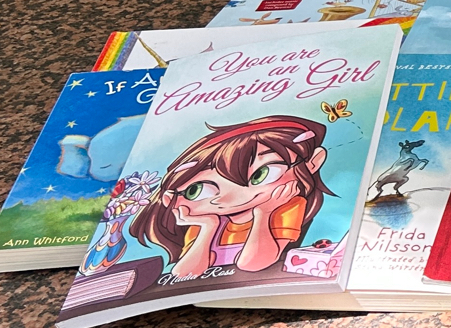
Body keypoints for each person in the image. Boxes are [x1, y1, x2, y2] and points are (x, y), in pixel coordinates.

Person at [134, 117, 332, 280]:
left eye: (261, 174)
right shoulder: (207, 220)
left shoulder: (285, 206)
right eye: (197, 189)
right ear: (171, 200)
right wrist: (209, 227)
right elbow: (184, 273)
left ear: (312, 163)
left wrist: (263, 214)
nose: (232, 197)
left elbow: (253, 264)